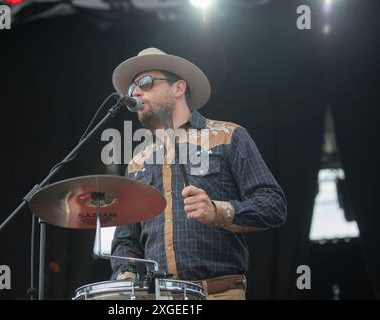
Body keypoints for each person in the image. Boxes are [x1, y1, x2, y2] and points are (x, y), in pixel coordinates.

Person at [109, 47, 287, 300]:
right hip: (158, 299)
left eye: (145, 83)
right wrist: (126, 272)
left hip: (218, 293)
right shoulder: (137, 163)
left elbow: (274, 205)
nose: (135, 92)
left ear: (178, 88)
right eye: (132, 88)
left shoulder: (229, 136)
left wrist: (218, 211)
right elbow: (126, 239)